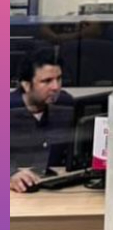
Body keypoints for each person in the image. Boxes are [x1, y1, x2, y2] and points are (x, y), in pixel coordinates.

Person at [10, 50, 74, 193]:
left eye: (59, 79)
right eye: (47, 81)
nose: (56, 87)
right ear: (26, 85)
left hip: (55, 187)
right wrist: (9, 174)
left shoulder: (65, 105)